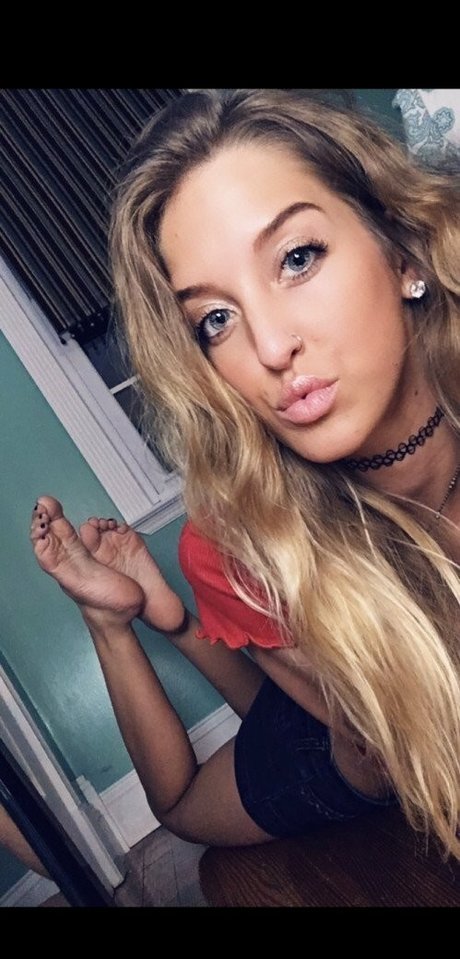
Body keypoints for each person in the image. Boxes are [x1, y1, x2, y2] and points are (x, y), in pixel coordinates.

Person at [28, 89, 460, 862]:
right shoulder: (237, 535)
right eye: (215, 319)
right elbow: (386, 755)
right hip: (359, 742)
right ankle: (119, 619)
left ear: (403, 252)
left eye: (297, 258)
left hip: (311, 661)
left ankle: (182, 621)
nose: (267, 346)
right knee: (184, 806)